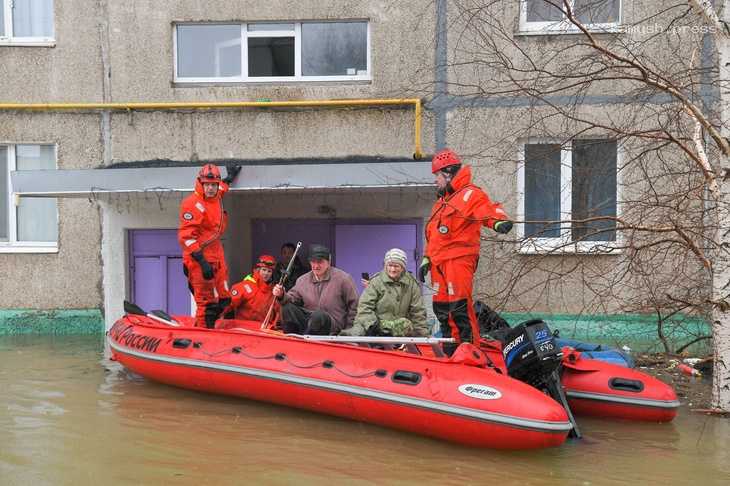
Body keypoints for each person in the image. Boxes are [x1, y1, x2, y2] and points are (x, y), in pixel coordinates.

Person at [418, 149, 513, 355]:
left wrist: (498, 221)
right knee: (442, 309)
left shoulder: (470, 194)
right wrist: (426, 258)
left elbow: (486, 209)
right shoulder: (441, 203)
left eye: (437, 176)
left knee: (460, 307)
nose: (435, 181)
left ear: (448, 173)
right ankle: (451, 349)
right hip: (439, 263)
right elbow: (434, 235)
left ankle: (470, 350)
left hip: (458, 259)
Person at [178, 163, 241, 328]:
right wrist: (202, 262)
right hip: (198, 258)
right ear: (201, 183)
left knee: (225, 300)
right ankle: (201, 334)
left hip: (216, 254)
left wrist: (229, 179)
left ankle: (210, 329)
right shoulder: (192, 203)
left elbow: (222, 189)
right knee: (206, 305)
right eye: (208, 184)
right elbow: (186, 238)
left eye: (214, 184)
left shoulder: (216, 195)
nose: (212, 188)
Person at [272, 244, 359, 335]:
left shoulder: (343, 279)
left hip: (333, 326)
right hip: (309, 322)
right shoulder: (303, 280)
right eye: (313, 262)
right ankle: (292, 339)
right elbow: (292, 298)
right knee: (287, 308)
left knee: (319, 316)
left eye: (320, 262)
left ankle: (307, 342)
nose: (316, 266)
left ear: (329, 262)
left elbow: (354, 306)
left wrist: (349, 331)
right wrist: (281, 294)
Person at [341, 248, 429, 337]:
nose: (393, 269)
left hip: (399, 332)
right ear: (385, 266)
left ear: (403, 268)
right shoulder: (376, 282)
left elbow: (418, 313)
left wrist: (424, 337)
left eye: (396, 266)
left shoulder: (412, 284)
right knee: (354, 335)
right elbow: (364, 307)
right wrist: (375, 326)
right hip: (374, 328)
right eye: (390, 265)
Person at [223, 254, 279, 325]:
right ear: (258, 270)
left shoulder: (274, 291)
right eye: (264, 270)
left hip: (264, 330)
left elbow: (278, 313)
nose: (266, 273)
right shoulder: (243, 286)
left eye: (269, 271)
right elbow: (227, 306)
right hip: (244, 329)